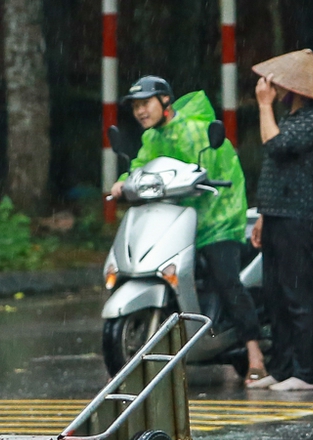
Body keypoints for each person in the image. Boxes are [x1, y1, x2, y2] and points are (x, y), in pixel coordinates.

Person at [108, 75, 269, 388]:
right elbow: (143, 165)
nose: (140, 112)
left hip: (218, 216)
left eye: (146, 104)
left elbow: (210, 166)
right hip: (179, 217)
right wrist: (125, 180)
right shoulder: (153, 138)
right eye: (136, 107)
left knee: (225, 279)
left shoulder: (195, 130)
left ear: (165, 101)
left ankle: (255, 355)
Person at [251, 49, 313, 392]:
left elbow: (275, 147)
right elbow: (275, 171)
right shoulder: (289, 117)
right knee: (273, 294)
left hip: (297, 217)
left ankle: (304, 371)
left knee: (297, 293)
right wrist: (262, 217)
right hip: (275, 215)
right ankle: (282, 367)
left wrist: (263, 105)